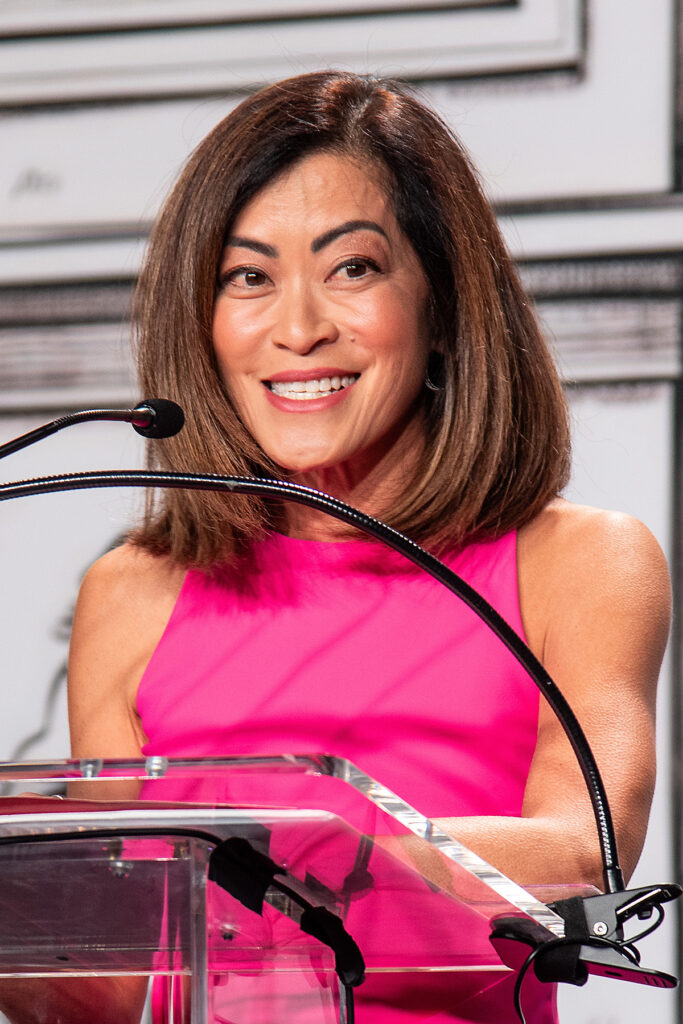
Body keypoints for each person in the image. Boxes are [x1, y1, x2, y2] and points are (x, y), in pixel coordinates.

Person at [63, 71, 669, 1023]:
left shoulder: (580, 560)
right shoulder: (132, 589)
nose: (299, 328)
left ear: (440, 306)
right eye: (247, 276)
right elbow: (97, 981)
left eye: (352, 268)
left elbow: (583, 842)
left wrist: (287, 861)